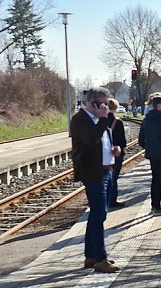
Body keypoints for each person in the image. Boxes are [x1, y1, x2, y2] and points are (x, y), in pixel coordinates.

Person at [70, 87, 121, 273]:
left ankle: (90, 255)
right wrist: (102, 119)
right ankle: (101, 259)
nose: (107, 108)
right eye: (104, 104)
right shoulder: (79, 120)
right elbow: (91, 139)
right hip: (92, 172)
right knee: (99, 214)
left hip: (106, 170)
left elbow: (102, 142)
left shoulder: (100, 120)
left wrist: (114, 150)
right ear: (93, 104)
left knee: (98, 214)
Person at [139, 94, 161, 216]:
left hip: (152, 154)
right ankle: (157, 207)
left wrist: (149, 147)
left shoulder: (146, 120)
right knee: (160, 180)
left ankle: (154, 205)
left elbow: (141, 139)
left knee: (155, 180)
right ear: (159, 105)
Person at [107, 99, 127, 209]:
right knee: (114, 178)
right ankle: (112, 201)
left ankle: (106, 200)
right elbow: (123, 141)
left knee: (106, 177)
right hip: (117, 153)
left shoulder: (101, 120)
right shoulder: (118, 122)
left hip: (105, 153)